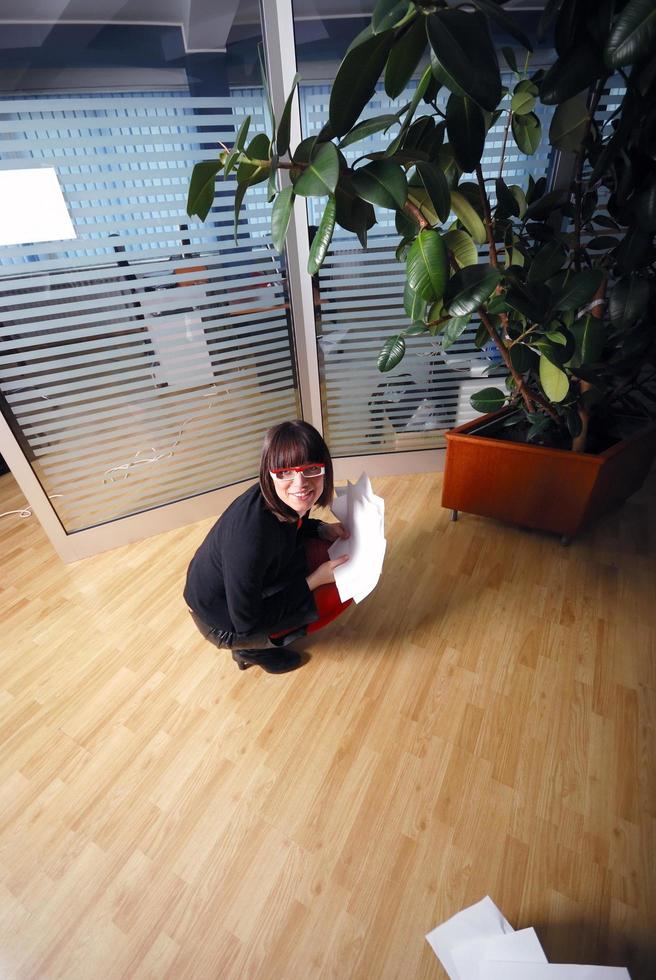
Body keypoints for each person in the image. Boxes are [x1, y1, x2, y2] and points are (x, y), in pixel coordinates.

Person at [184, 419, 352, 673]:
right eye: (285, 472)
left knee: (327, 557)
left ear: (324, 469)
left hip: (245, 587)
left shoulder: (280, 497)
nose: (300, 484)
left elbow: (295, 521)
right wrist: (315, 580)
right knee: (335, 593)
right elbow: (247, 622)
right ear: (269, 473)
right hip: (224, 620)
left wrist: (321, 529)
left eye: (311, 469)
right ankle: (249, 651)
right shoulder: (249, 541)